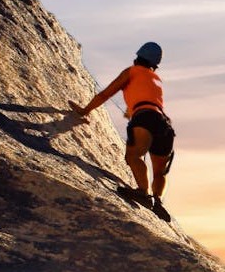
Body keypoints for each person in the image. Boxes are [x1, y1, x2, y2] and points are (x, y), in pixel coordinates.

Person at [71, 41, 175, 222]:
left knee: (133, 157)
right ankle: (158, 201)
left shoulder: (131, 72)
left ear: (137, 57)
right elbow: (148, 100)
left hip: (145, 118)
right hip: (165, 125)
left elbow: (105, 94)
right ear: (154, 64)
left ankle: (143, 192)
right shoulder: (156, 80)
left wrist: (84, 110)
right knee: (160, 172)